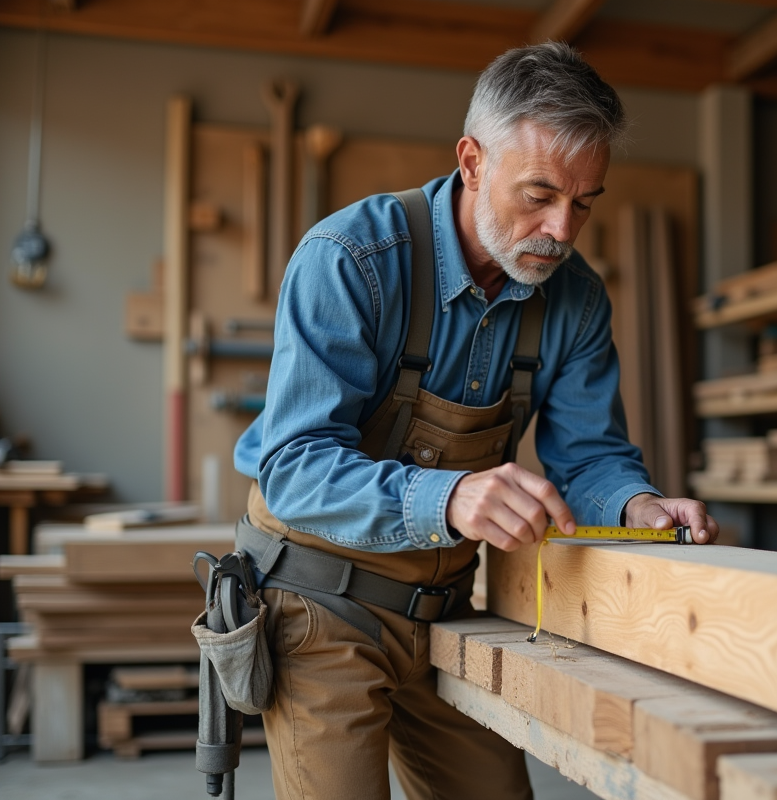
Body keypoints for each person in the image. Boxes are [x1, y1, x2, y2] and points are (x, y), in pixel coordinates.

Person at [231, 41, 719, 800]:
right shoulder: (351, 260)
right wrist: (449, 498)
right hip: (317, 603)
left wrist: (637, 505)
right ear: (471, 162)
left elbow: (589, 456)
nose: (562, 229)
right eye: (539, 194)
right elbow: (292, 466)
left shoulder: (578, 298)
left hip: (447, 611)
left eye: (585, 201)